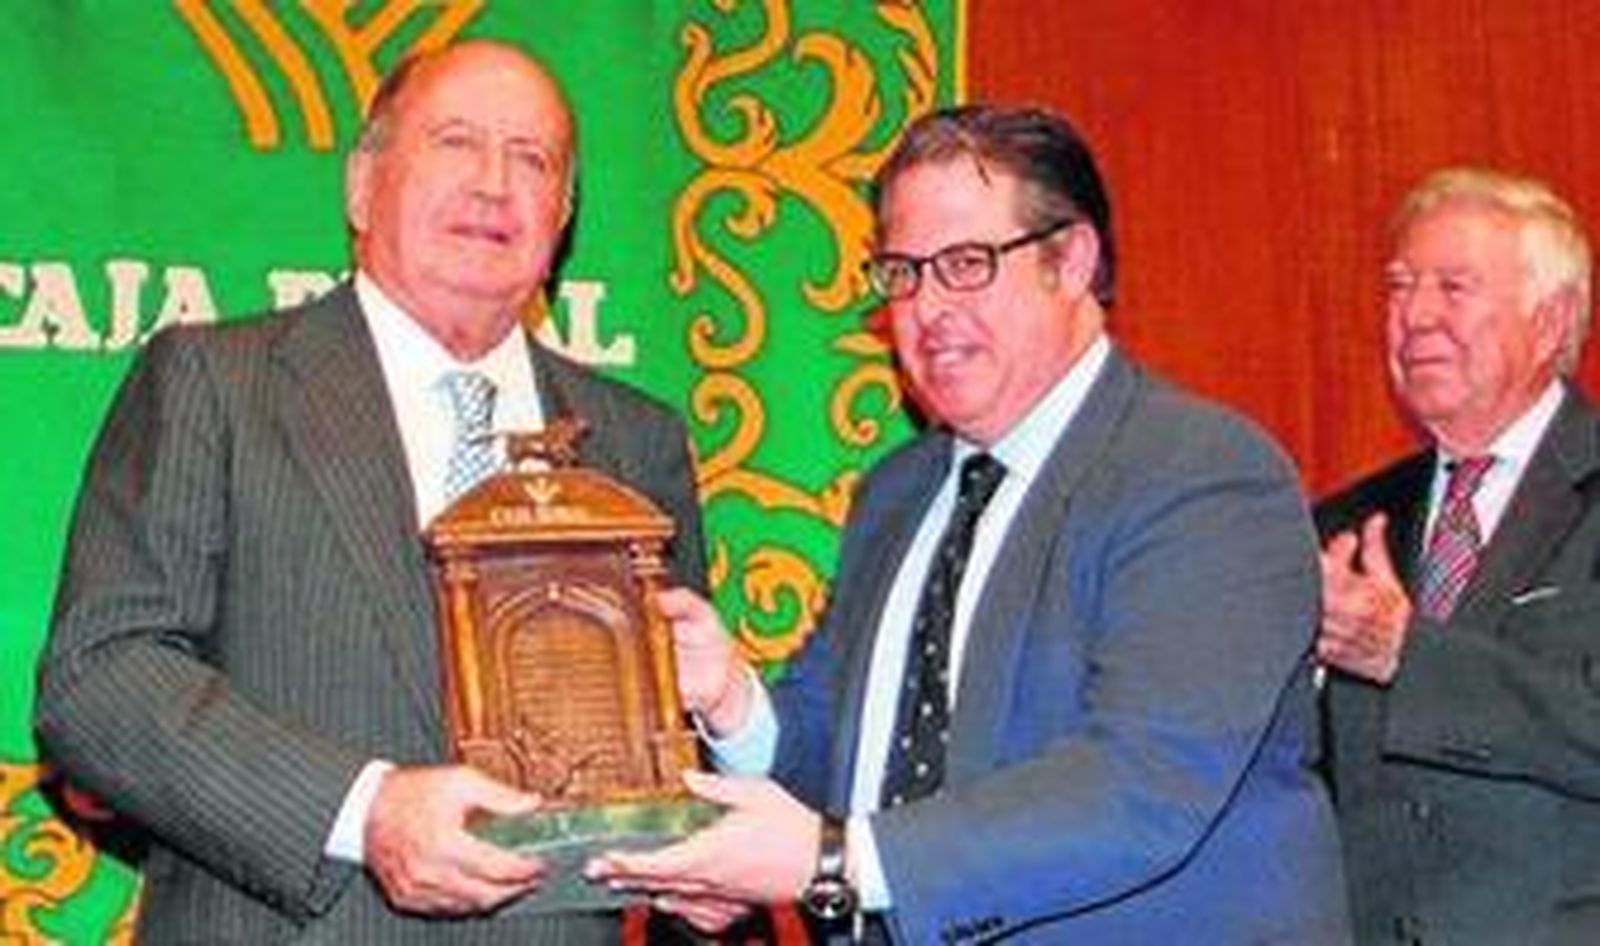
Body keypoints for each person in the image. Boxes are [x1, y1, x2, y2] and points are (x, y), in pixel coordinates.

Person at [589, 104, 1349, 944]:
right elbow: (844, 754)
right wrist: (730, 699)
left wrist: (836, 859)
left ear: (1071, 262)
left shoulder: (1204, 476)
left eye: (965, 264)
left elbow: (1141, 786)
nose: (926, 308)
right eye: (903, 272)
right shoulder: (898, 491)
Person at [33, 40, 705, 942]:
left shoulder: (637, 440)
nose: (494, 183)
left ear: (563, 214)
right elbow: (102, 679)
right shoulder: (215, 384)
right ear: (362, 185)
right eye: (456, 142)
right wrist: (366, 809)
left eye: (532, 158)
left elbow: (666, 751)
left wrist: (703, 871)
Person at [1316, 167, 1600, 943]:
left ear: (1552, 320)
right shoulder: (1344, 526)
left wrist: (1411, 657)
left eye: (1453, 287)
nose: (1414, 316)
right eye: (1400, 286)